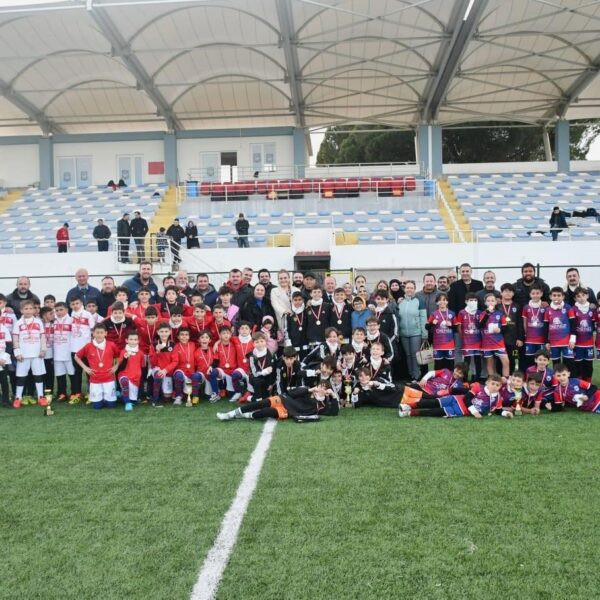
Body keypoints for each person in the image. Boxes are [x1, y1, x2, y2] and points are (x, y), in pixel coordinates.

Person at [216, 382, 339, 421]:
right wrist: (310, 389)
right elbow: (292, 393)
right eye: (319, 385)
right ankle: (231, 413)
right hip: (284, 400)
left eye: (324, 387)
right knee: (261, 403)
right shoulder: (308, 391)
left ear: (327, 390)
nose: (320, 388)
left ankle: (244, 415)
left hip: (288, 411)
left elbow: (334, 412)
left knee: (265, 412)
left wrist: (333, 395)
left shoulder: (323, 405)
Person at [399, 374, 503, 418]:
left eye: (497, 385)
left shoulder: (498, 398)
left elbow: (498, 410)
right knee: (433, 403)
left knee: (434, 412)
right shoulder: (477, 387)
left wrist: (506, 413)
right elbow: (467, 398)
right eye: (492, 383)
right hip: (455, 399)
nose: (494, 386)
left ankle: (409, 413)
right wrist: (475, 412)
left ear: (500, 387)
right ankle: (408, 406)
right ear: (487, 382)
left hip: (459, 411)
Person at [11, 299, 47, 408]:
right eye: (25, 309)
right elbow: (15, 339)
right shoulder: (18, 323)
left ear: (34, 310)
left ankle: (41, 396)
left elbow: (43, 337)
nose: (28, 311)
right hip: (23, 355)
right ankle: (18, 398)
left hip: (37, 354)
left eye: (31, 308)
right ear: (21, 310)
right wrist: (17, 352)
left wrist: (43, 350)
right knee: (21, 377)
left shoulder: (38, 322)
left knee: (38, 376)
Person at [74, 323, 119, 410]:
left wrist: (116, 366)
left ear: (106, 333)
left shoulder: (111, 345)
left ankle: (108, 398)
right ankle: (100, 398)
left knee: (111, 406)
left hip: (108, 378)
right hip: (95, 380)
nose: (99, 335)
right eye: (97, 333)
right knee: (97, 407)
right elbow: (76, 356)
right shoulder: (88, 346)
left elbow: (119, 356)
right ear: (93, 333)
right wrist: (85, 368)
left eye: (101, 332)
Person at [397, 281, 427, 381]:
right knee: (408, 355)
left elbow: (423, 319)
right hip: (403, 333)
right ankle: (411, 375)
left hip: (416, 333)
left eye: (411, 288)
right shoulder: (400, 302)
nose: (409, 289)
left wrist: (424, 334)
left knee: (415, 355)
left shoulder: (419, 301)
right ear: (404, 289)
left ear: (414, 289)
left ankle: (417, 375)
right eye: (407, 288)